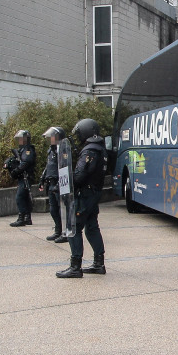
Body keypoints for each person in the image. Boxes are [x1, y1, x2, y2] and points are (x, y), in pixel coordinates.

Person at [56, 119, 107, 278]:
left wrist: (67, 180)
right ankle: (99, 263)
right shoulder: (100, 148)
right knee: (92, 227)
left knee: (74, 228)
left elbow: (80, 175)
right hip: (94, 193)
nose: (77, 137)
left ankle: (75, 266)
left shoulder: (89, 151)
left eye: (79, 134)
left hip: (85, 195)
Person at [39, 126, 68, 243]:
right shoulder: (51, 150)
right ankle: (58, 230)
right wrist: (42, 179)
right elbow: (48, 166)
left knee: (62, 209)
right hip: (51, 183)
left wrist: (59, 183)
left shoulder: (62, 150)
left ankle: (65, 232)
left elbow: (64, 167)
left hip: (59, 183)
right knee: (53, 209)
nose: (50, 140)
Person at [7, 129, 36, 227]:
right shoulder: (22, 150)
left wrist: (16, 171)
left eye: (20, 139)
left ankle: (22, 218)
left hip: (26, 177)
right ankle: (27, 218)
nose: (19, 141)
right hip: (22, 177)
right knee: (24, 197)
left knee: (20, 197)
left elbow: (25, 163)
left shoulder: (28, 150)